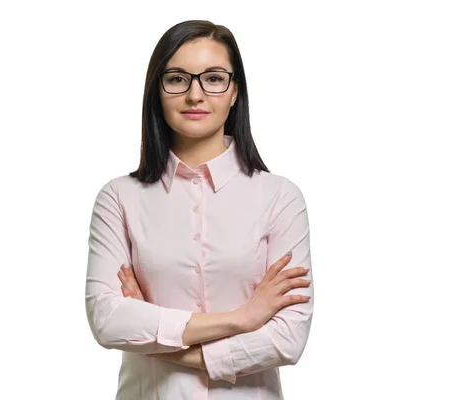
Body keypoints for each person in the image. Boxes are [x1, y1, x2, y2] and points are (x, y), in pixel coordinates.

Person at [85, 19, 314, 400]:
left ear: (234, 90)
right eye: (177, 79)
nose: (195, 94)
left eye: (213, 78)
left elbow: (288, 339)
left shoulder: (280, 197)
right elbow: (107, 321)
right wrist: (241, 319)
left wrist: (155, 332)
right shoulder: (119, 198)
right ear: (157, 91)